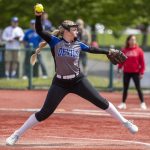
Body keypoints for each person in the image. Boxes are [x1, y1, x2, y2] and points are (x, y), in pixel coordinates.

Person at [6, 7, 138, 146]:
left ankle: (125, 122)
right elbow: (39, 30)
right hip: (60, 83)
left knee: (101, 102)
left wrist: (107, 52)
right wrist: (38, 16)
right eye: (74, 29)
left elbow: (92, 49)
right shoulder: (55, 42)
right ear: (66, 31)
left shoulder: (78, 44)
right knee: (44, 113)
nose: (77, 30)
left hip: (78, 80)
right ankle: (16, 134)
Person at [117, 35, 147, 110]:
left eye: (134, 40)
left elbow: (142, 63)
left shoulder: (139, 50)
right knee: (125, 88)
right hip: (126, 72)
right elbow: (121, 61)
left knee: (138, 88)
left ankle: (142, 103)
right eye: (131, 40)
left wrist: (142, 72)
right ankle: (123, 103)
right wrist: (119, 69)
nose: (133, 41)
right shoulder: (124, 50)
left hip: (136, 72)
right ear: (128, 41)